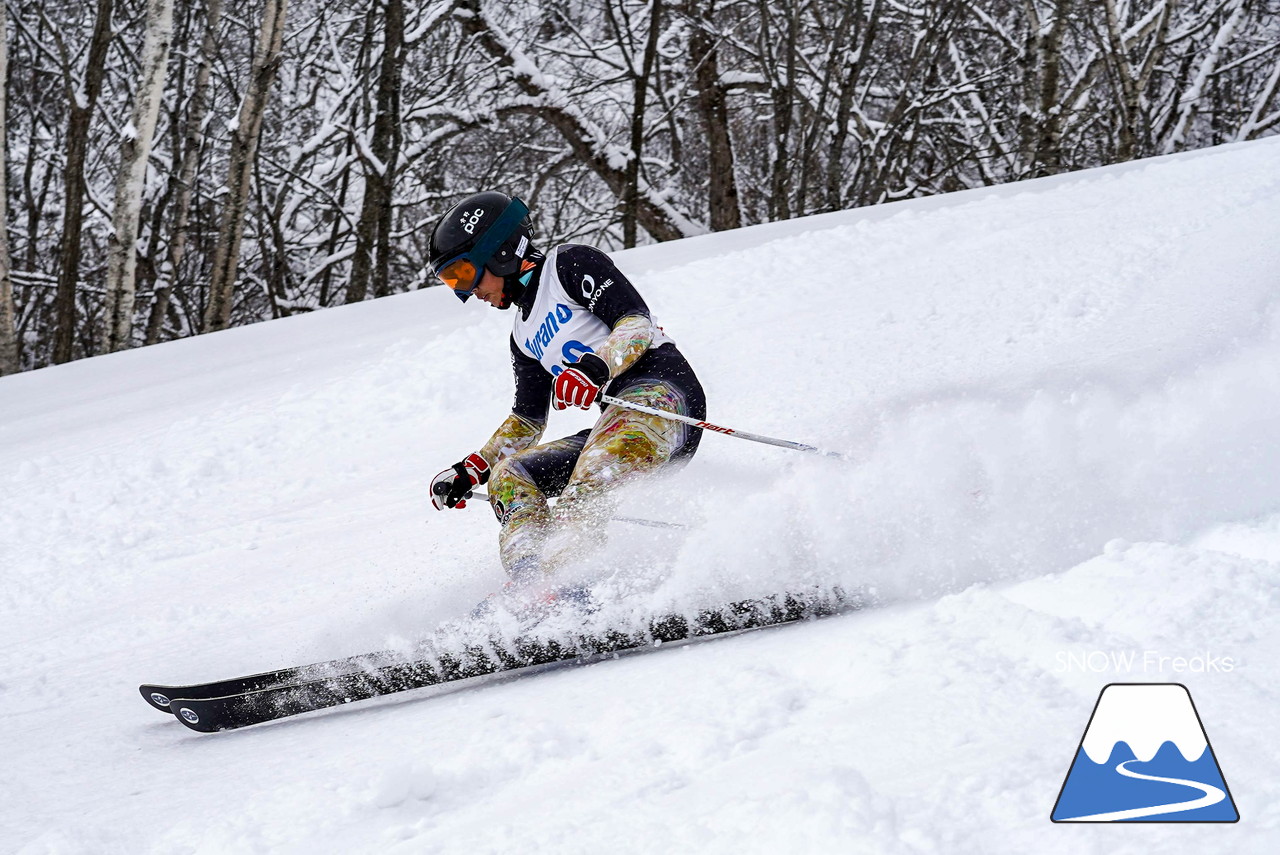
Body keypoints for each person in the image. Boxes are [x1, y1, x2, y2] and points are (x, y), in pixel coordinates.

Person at [427, 191, 705, 584]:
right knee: (511, 475)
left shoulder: (568, 264)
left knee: (586, 487)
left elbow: (636, 323)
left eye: (463, 274)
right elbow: (526, 421)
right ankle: (530, 579)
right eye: (451, 281)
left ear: (499, 252)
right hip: (612, 425)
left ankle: (570, 582)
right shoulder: (523, 336)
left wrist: (595, 367)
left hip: (663, 399)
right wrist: (474, 468)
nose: (466, 291)